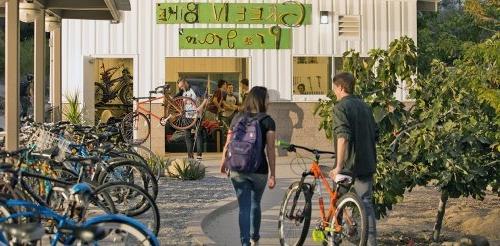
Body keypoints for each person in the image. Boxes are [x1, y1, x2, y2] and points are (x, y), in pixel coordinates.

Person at [220, 86, 276, 246]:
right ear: (262, 100)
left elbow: (228, 143)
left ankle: (245, 243)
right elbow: (271, 149)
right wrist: (273, 174)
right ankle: (255, 238)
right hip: (259, 170)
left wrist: (223, 162)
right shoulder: (268, 121)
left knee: (243, 207)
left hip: (237, 167)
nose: (269, 101)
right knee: (255, 203)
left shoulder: (237, 117)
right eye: (267, 98)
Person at [328, 72, 378, 246]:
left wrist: (339, 166)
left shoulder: (340, 107)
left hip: (348, 165)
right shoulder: (365, 107)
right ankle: (371, 243)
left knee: (338, 202)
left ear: (341, 87)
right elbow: (375, 133)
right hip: (366, 163)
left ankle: (335, 238)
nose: (334, 91)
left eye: (335, 88)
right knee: (366, 204)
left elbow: (343, 136)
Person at [176, 78, 209, 160]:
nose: (181, 88)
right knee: (187, 136)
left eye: (182, 86)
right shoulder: (183, 92)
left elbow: (206, 98)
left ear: (186, 83)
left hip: (196, 116)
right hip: (186, 116)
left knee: (198, 134)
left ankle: (199, 155)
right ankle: (190, 155)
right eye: (180, 87)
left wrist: (201, 107)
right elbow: (177, 100)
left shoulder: (195, 89)